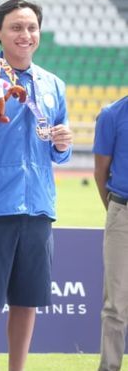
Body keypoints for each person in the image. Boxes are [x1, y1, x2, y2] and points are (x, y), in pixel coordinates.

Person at [0, 0, 73, 371]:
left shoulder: (53, 84)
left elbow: (57, 152)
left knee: (27, 300)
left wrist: (62, 145)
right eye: (16, 27)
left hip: (38, 206)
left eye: (31, 27)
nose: (25, 34)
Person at [95, 95, 128, 371]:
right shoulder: (112, 115)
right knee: (115, 304)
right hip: (122, 211)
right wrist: (115, 212)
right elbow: (100, 172)